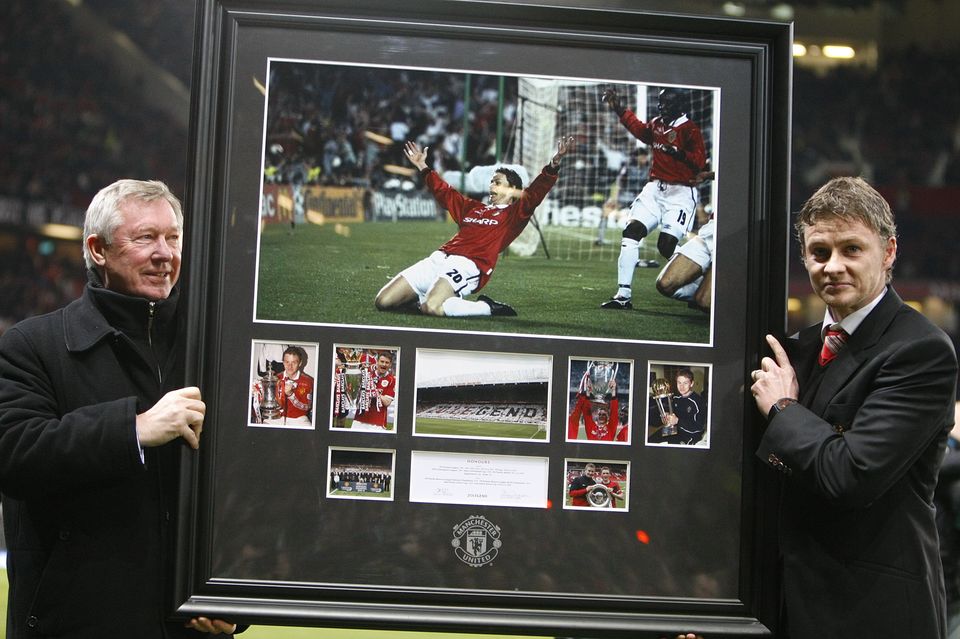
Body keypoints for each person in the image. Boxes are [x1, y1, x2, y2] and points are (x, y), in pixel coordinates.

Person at [0, 180, 240, 637]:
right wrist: (134, 429)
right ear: (98, 249)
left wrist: (235, 598)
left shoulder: (213, 349)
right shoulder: (33, 345)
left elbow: (245, 486)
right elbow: (13, 454)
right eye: (145, 237)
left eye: (173, 238)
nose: (164, 253)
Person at [750, 176, 958, 638]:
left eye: (852, 250)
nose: (833, 266)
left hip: (871, 614)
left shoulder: (921, 350)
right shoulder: (795, 351)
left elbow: (851, 475)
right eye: (819, 252)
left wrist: (784, 408)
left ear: (888, 253)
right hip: (780, 609)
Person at [375, 136, 574, 317]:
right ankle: (427, 298)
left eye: (497, 182)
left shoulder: (515, 213)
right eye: (491, 182)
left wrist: (553, 165)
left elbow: (536, 192)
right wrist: (423, 167)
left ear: (512, 189)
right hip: (438, 258)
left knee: (432, 307)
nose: (491, 186)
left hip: (468, 265)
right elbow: (446, 193)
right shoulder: (473, 208)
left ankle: (487, 307)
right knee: (383, 301)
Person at [599, 87, 706, 310]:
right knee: (631, 232)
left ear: (679, 105)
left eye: (667, 103)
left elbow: (699, 161)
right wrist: (619, 108)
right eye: (660, 102)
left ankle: (700, 285)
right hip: (654, 190)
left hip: (681, 193)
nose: (662, 107)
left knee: (666, 246)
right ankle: (623, 295)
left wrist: (680, 154)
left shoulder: (690, 130)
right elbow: (640, 131)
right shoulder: (657, 123)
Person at [655, 198, 715, 312]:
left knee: (704, 302)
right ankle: (706, 285)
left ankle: (715, 292)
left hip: (731, 236)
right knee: (664, 285)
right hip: (712, 229)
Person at [652, 368, 706, 446]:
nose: (681, 387)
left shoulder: (699, 402)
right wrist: (667, 415)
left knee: (666, 449)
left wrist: (678, 421)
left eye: (685, 383)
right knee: (651, 440)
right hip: (674, 430)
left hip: (690, 436)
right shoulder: (676, 398)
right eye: (679, 383)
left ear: (692, 383)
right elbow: (672, 414)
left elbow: (699, 428)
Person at [351, 351, 396, 431]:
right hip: (359, 419)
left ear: (390, 365)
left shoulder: (392, 380)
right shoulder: (367, 374)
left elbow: (387, 402)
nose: (384, 364)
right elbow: (354, 393)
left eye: (387, 363)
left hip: (377, 422)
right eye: (382, 361)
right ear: (377, 362)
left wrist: (374, 391)